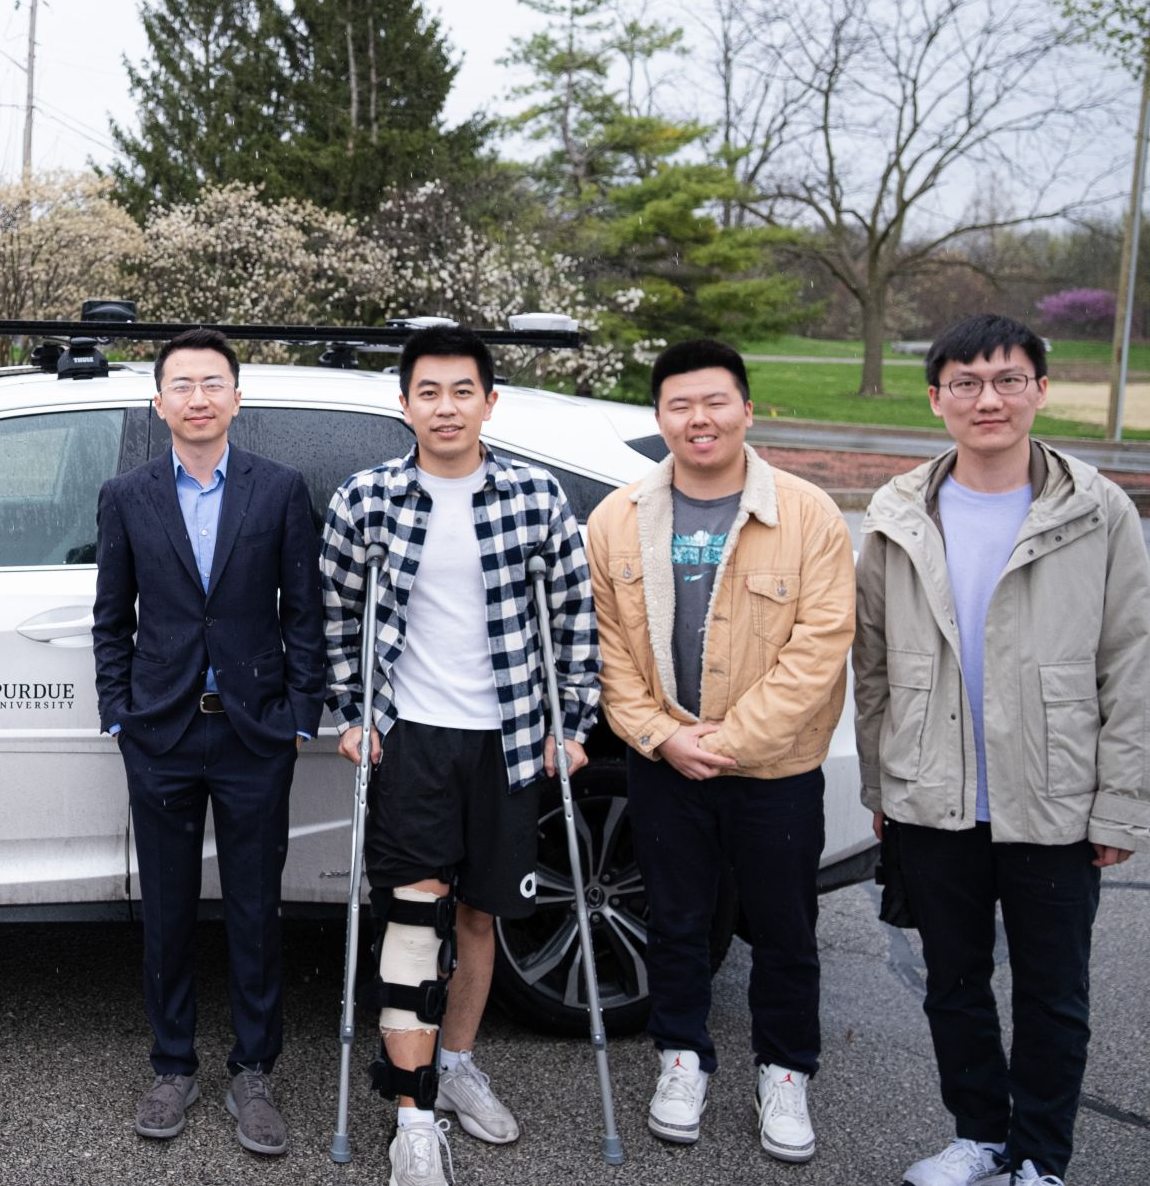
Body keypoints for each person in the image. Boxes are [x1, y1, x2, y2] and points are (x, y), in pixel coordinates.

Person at [855, 314, 1148, 1186]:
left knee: (1055, 993)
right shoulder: (900, 510)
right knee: (954, 979)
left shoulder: (1096, 510)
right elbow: (871, 660)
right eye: (967, 383)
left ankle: (1041, 1158)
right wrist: (880, 780)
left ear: (1041, 390)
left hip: (1054, 792)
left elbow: (1131, 662)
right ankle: (979, 1134)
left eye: (1008, 379)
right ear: (938, 398)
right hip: (931, 789)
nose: (989, 398)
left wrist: (1121, 800)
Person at [317, 324, 599, 1186]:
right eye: (428, 391)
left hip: (508, 737)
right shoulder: (365, 499)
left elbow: (573, 616)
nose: (446, 406)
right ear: (403, 403)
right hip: (412, 737)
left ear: (489, 401)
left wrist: (573, 722)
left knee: (479, 916)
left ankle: (459, 1062)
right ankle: (412, 1112)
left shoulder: (534, 495)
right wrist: (351, 710)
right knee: (412, 916)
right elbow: (337, 617)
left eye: (462, 390)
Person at [584, 338, 854, 1164]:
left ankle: (784, 1073)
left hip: (773, 770)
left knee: (783, 929)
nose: (698, 419)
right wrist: (664, 735)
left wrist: (728, 742)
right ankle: (680, 1059)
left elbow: (821, 646)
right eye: (679, 405)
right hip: (666, 763)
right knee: (676, 921)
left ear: (744, 407)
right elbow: (608, 652)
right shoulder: (617, 518)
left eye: (714, 402)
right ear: (659, 415)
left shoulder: (809, 514)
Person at [91, 327, 328, 1156]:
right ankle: (172, 1063)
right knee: (165, 907)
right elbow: (110, 617)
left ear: (236, 396)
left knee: (257, 908)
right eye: (182, 384)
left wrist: (302, 714)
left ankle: (254, 1070)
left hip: (254, 731)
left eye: (213, 382)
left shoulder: (280, 490)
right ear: (159, 403)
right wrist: (118, 712)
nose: (198, 396)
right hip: (159, 731)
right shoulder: (127, 494)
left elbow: (304, 610)